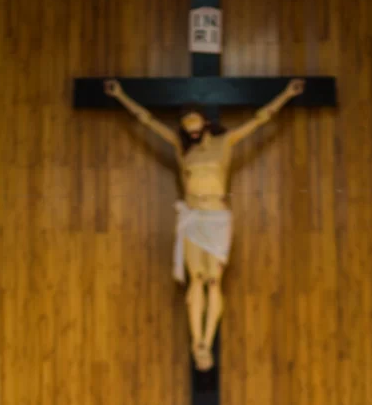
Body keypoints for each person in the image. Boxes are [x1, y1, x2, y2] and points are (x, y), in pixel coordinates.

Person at [103, 78, 305, 371]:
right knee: (195, 277)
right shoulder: (181, 147)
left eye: (194, 121)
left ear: (205, 121)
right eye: (185, 124)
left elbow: (261, 120)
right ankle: (197, 341)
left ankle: (208, 339)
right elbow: (146, 120)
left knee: (214, 280)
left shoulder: (225, 143)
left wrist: (286, 94)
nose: (190, 128)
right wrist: (121, 96)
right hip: (193, 217)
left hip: (217, 216)